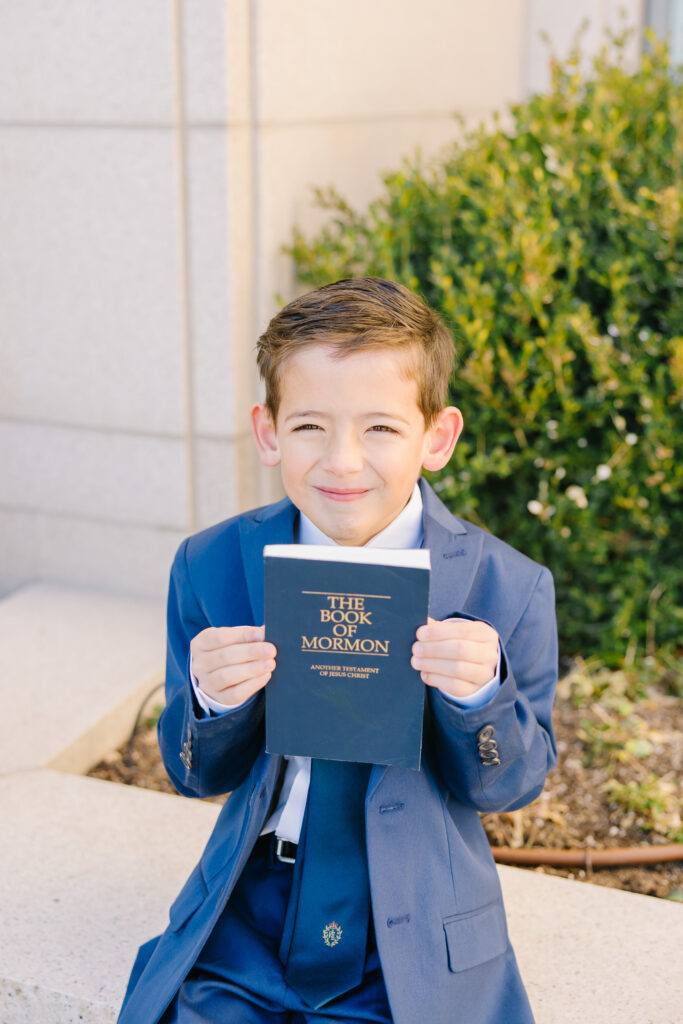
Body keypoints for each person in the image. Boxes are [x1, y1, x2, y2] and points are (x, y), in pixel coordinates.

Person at [118, 277, 557, 1024]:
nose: (343, 462)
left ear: (437, 437)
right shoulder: (210, 564)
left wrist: (479, 697)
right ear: (268, 432)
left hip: (412, 929)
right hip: (247, 919)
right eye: (310, 427)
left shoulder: (506, 587)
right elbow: (193, 772)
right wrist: (213, 702)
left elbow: (511, 786)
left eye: (380, 428)